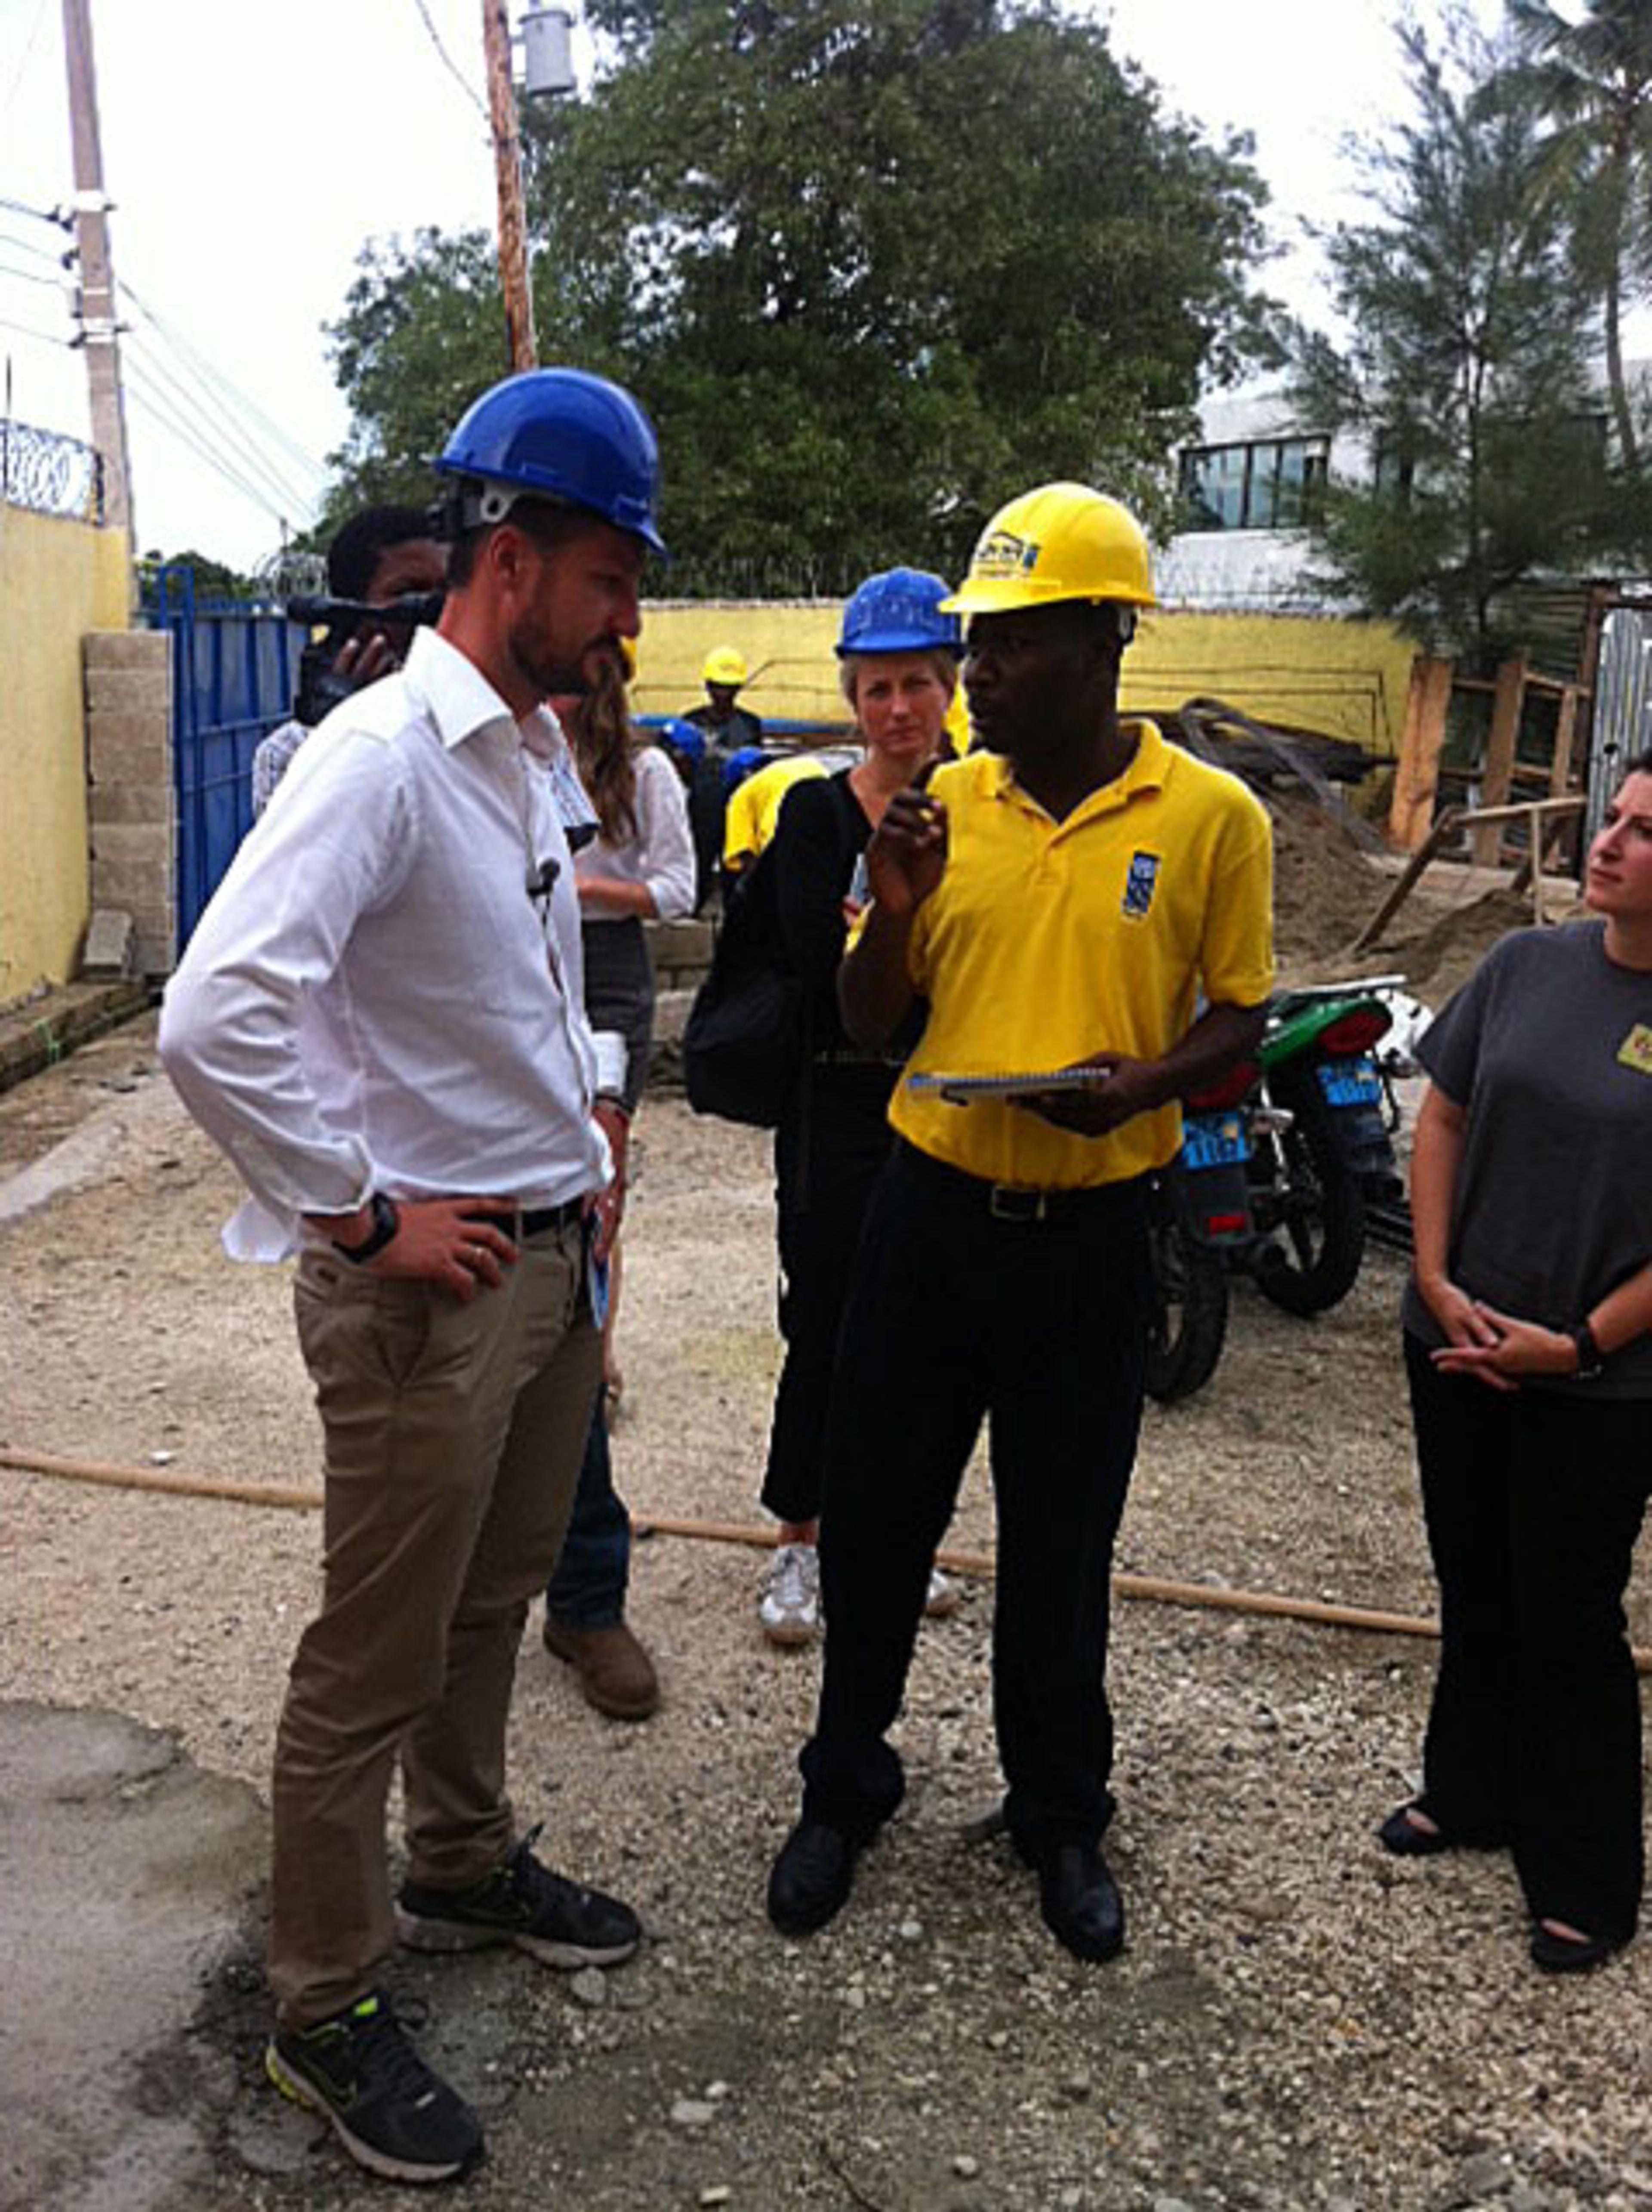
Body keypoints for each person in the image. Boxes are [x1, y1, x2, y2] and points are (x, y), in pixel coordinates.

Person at [159, 365, 667, 2187]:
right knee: (370, 1654)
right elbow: (214, 1016)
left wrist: (585, 1140)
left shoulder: (522, 753)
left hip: (544, 1258)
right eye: (610, 581)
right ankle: (323, 1999)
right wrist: (364, 1216)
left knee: (493, 1598)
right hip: (427, 1293)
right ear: (510, 562)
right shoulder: (381, 755)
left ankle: (457, 1863)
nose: (626, 623)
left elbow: (513, 997)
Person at [765, 483, 1274, 1965]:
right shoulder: (942, 810)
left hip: (1095, 1237)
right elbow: (870, 1019)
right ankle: (843, 1789)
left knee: (1061, 1545)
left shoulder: (1212, 819)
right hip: (928, 1221)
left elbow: (1239, 1016)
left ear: (1109, 639)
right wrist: (895, 900)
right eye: (973, 643)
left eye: (1010, 643)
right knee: (875, 1523)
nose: (975, 672)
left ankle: (1059, 1814)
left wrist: (1142, 1089)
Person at [1378, 751, 1652, 1974]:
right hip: (1454, 1336)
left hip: (1597, 1378)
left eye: (1643, 833)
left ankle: (1586, 1869)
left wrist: (1580, 1342)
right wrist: (1437, 1280)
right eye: (1614, 817)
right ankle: (1472, 1787)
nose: (1609, 842)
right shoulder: (1523, 965)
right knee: (1474, 1575)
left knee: (1568, 1610)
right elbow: (1443, 1113)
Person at [754, 568, 965, 1647]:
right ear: (851, 700)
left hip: (947, 1099)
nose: (898, 707)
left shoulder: (985, 810)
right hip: (838, 1104)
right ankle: (799, 1535)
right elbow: (813, 966)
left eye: (917, 682)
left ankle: (901, 1537)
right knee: (827, 1319)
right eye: (877, 687)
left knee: (930, 1331)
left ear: (950, 687)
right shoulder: (814, 814)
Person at [538, 647, 696, 1721]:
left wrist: (577, 885)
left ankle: (587, 1593)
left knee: (593, 1207)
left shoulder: (639, 772)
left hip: (604, 977)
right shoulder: (463, 756)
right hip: (513, 972)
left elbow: (678, 888)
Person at [251, 506, 446, 816]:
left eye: (445, 594)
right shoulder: (289, 751)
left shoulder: (486, 722)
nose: (434, 612)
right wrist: (347, 737)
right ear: (350, 610)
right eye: (409, 595)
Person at [721, 748, 828, 881]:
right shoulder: (805, 765)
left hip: (782, 842)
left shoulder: (740, 796)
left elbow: (744, 853)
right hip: (829, 819)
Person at [686, 644, 764, 751]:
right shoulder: (691, 723)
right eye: (718, 687)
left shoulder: (750, 725)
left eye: (729, 687)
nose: (724, 694)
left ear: (738, 688)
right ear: (708, 686)